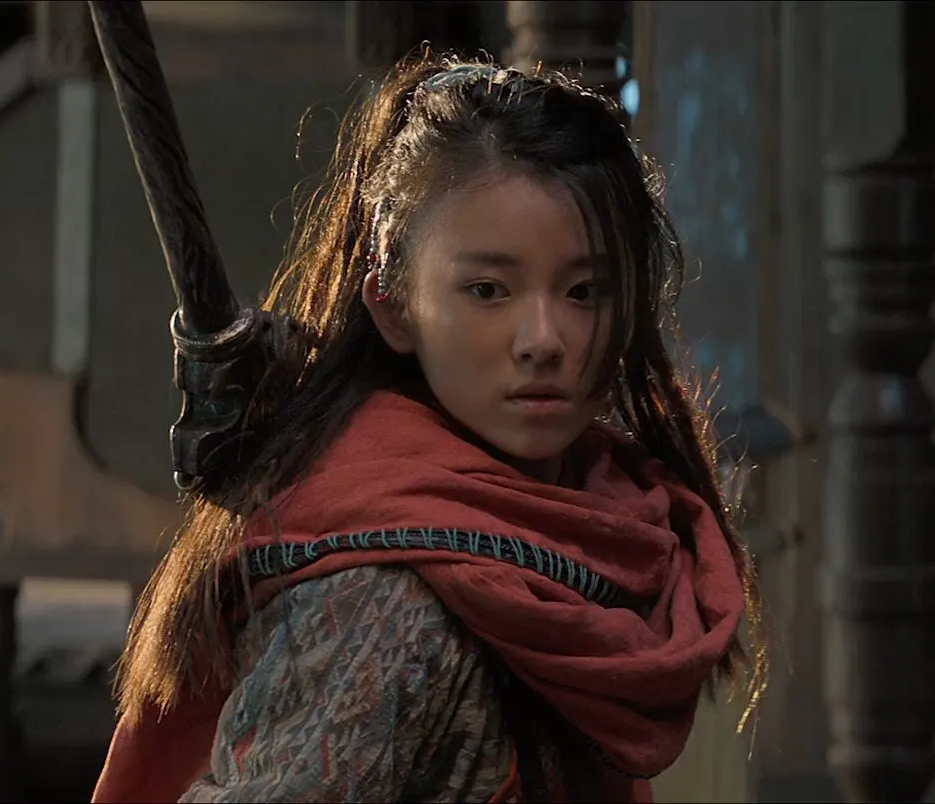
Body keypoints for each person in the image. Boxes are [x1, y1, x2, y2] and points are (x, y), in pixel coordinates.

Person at [90, 52, 764, 803]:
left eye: (584, 291)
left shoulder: (612, 517)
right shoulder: (381, 602)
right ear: (392, 305)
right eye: (488, 290)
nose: (543, 339)